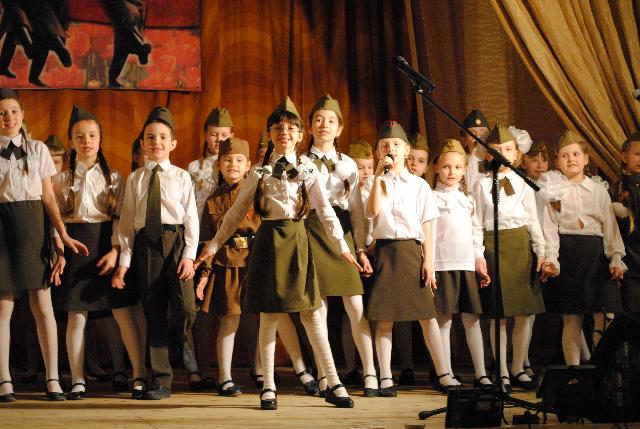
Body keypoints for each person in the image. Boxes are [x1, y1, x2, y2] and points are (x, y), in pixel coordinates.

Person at [195, 96, 359, 410]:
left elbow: (326, 212)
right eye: (278, 128)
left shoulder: (308, 170)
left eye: (291, 128)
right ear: (270, 134)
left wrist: (341, 246)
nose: (284, 132)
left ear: (300, 135)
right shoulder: (259, 172)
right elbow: (234, 214)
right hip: (269, 243)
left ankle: (333, 382)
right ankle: (268, 387)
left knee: (312, 313)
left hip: (298, 242)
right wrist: (212, 247)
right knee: (269, 315)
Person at [50, 105, 146, 400]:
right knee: (76, 315)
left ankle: (139, 374)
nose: (86, 141)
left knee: (122, 311)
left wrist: (116, 250)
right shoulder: (59, 180)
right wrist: (60, 251)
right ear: (71, 141)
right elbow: (55, 220)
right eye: (79, 136)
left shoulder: (115, 177)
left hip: (106, 244)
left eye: (92, 135)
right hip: (75, 246)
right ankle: (78, 379)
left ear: (100, 139)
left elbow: (122, 219)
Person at [0, 88, 87, 403]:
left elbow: (48, 197)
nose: (8, 118)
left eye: (13, 111)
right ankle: (4, 380)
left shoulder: (37, 149)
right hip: (3, 229)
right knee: (3, 307)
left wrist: (61, 235)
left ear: (22, 113)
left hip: (34, 228)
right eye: (1, 113)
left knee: (42, 303)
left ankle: (53, 378)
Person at [112, 106, 198, 400]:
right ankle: (162, 380)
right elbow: (126, 225)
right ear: (142, 144)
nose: (156, 142)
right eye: (150, 137)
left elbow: (191, 219)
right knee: (154, 311)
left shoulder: (182, 177)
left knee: (187, 307)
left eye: (163, 137)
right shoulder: (135, 178)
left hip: (176, 242)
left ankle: (179, 340)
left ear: (173, 143)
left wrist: (189, 255)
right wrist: (124, 263)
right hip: (146, 244)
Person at [365, 120, 457, 395]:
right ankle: (385, 376)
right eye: (384, 145)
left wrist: (429, 261)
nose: (390, 149)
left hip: (411, 251)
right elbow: (372, 212)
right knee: (385, 318)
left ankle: (444, 373)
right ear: (378, 152)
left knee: (427, 316)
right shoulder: (374, 182)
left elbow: (427, 224)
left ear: (406, 150)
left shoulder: (419, 185)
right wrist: (377, 177)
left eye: (396, 144)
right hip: (385, 251)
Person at [472, 123, 554, 393]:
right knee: (499, 315)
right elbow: (476, 223)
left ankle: (518, 366)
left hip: (520, 245)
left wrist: (540, 250)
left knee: (524, 313)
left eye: (507, 149)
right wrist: (478, 254)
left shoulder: (523, 183)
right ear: (487, 154)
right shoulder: (481, 185)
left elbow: (532, 219)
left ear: (517, 154)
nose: (502, 154)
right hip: (494, 245)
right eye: (496, 150)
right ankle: (502, 371)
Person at [304, 95, 377, 397]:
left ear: (340, 128)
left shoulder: (348, 164)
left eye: (331, 121)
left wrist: (360, 248)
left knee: (355, 306)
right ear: (309, 125)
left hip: (343, 231)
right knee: (318, 309)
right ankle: (325, 375)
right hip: (311, 232)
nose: (324, 125)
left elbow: (357, 211)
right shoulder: (301, 162)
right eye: (318, 119)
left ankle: (370, 373)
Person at [545, 130, 625, 365]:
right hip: (569, 255)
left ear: (586, 159)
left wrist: (615, 257)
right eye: (565, 155)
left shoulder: (598, 191)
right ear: (557, 162)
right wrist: (551, 258)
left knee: (603, 314)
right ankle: (573, 372)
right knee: (572, 317)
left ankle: (602, 369)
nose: (571, 159)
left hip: (596, 254)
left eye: (576, 154)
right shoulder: (553, 192)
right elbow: (550, 228)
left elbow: (610, 226)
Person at [432, 139, 491, 387]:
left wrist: (479, 258)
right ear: (436, 168)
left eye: (457, 167)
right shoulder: (431, 197)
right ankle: (445, 373)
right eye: (446, 167)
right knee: (443, 321)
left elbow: (476, 230)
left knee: (472, 319)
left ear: (465, 169)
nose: (451, 172)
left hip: (465, 264)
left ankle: (481, 373)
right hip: (441, 264)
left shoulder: (467, 199)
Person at [610, 130, 640, 317]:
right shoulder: (615, 189)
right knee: (632, 317)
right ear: (624, 157)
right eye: (637, 154)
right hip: (630, 262)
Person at [188, 107, 234, 217]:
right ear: (205, 135)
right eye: (213, 134)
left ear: (231, 136)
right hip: (200, 220)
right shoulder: (194, 167)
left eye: (224, 135)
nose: (219, 140)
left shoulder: (236, 166)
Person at [461, 110, 490, 194]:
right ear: (464, 140)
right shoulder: (461, 162)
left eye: (482, 132)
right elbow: (468, 187)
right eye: (472, 132)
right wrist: (473, 156)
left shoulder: (494, 161)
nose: (478, 136)